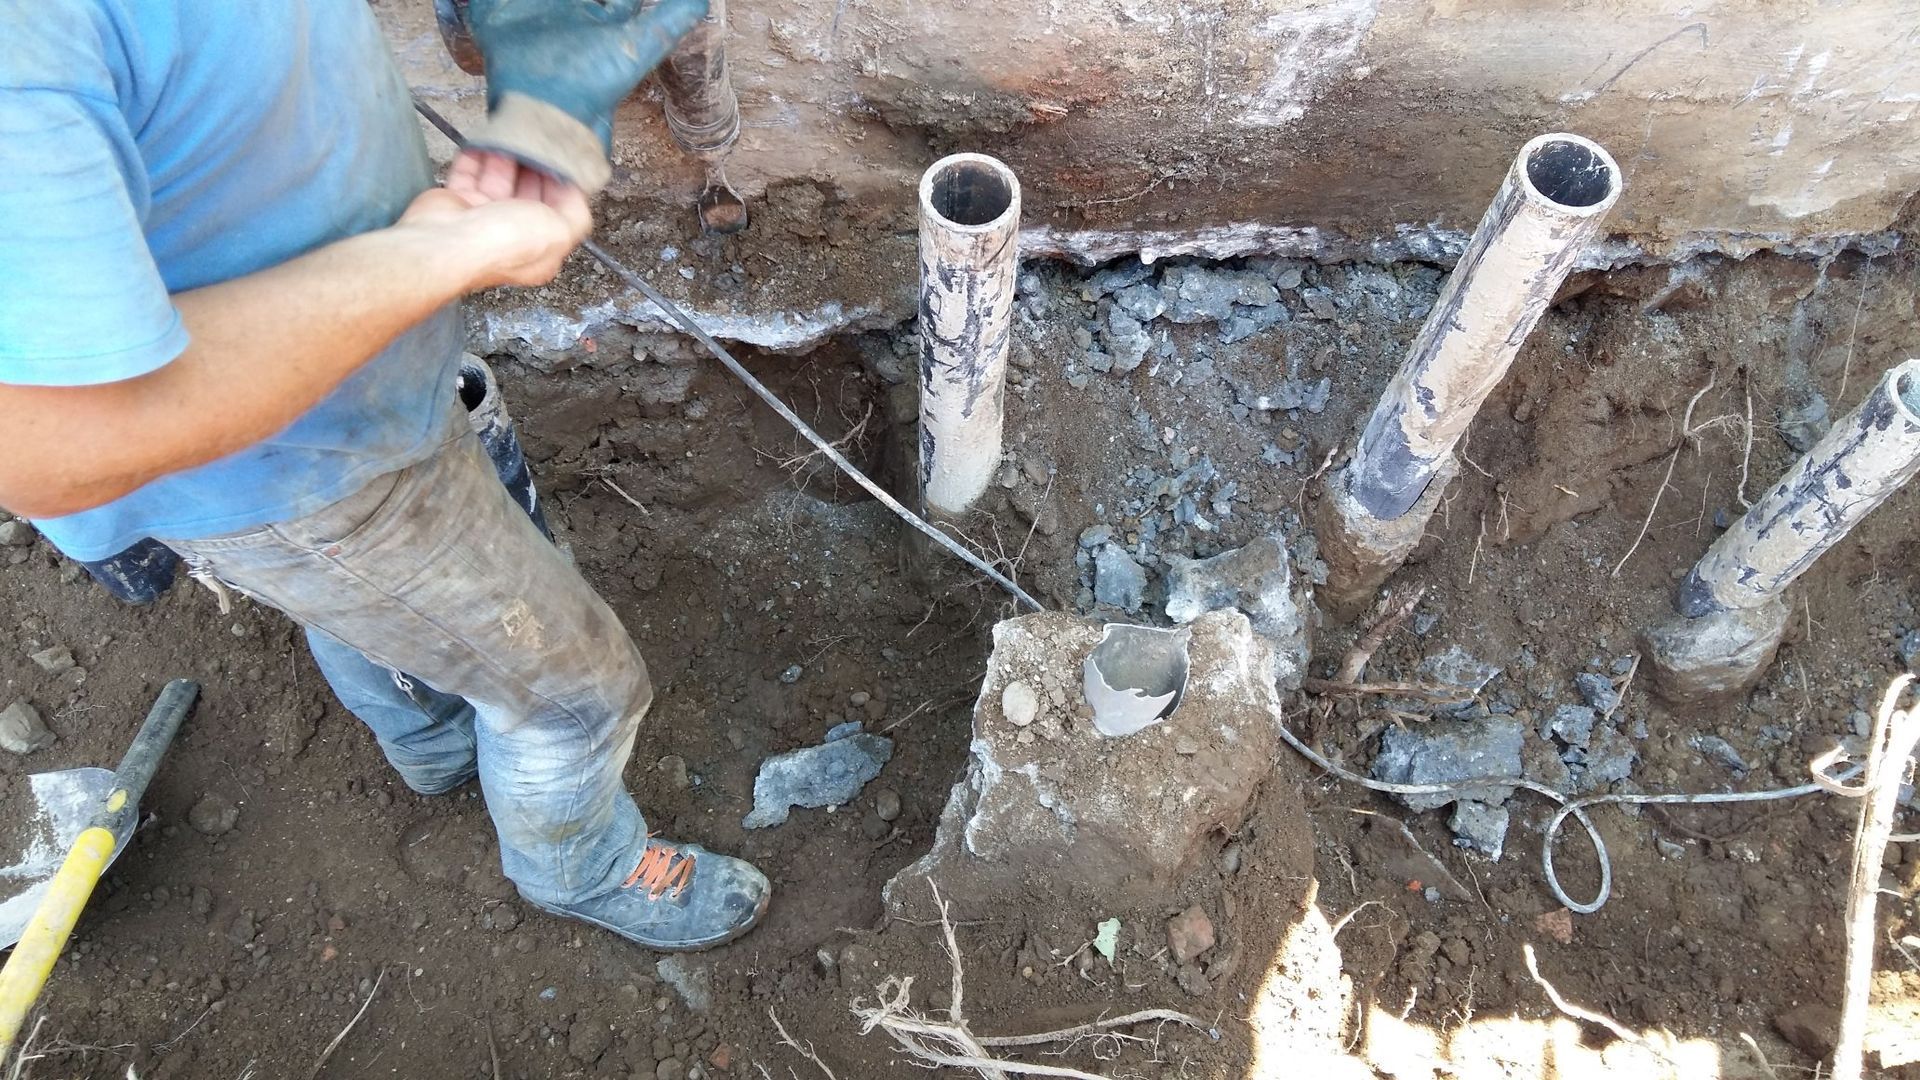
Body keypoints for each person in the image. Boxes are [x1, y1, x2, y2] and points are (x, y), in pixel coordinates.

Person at [0, 0, 771, 952]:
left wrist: (543, 79)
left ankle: (435, 746)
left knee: (369, 605)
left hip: (358, 399)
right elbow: (52, 444)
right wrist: (434, 258)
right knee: (580, 695)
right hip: (293, 473)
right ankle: (580, 867)